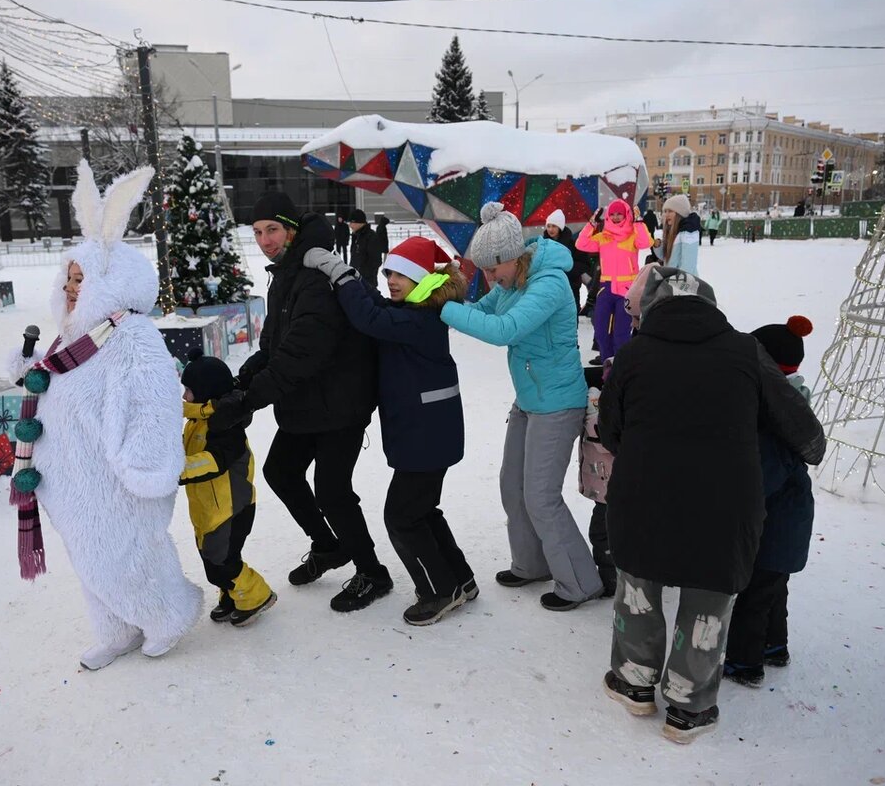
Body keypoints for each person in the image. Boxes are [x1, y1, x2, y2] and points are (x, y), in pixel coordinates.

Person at [599, 264, 826, 743]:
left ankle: (634, 683)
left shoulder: (634, 354)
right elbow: (800, 426)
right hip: (725, 504)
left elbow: (610, 430)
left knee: (639, 589)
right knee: (708, 599)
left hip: (644, 496)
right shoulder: (746, 351)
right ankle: (689, 706)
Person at [6, 161, 201, 670]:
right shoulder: (70, 335)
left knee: (124, 560)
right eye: (68, 278)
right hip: (72, 479)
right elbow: (54, 381)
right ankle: (114, 631)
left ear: (109, 279)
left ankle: (168, 615)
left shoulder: (130, 333)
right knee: (90, 563)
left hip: (114, 480)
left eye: (82, 278)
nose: (72, 288)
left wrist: (143, 464)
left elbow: (152, 399)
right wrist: (26, 368)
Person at [208, 192, 389, 613]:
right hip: (308, 402)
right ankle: (327, 546)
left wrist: (248, 401)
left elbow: (300, 355)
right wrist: (244, 377)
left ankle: (372, 572)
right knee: (281, 472)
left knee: (332, 490)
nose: (264, 240)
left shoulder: (313, 273)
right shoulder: (286, 272)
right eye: (256, 232)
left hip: (341, 401)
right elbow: (274, 343)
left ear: (291, 229)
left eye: (272, 229)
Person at [303, 236, 475, 626]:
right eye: (388, 273)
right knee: (423, 511)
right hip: (429, 433)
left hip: (426, 436)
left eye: (401, 274)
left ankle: (439, 591)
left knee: (402, 517)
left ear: (423, 279)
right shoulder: (415, 308)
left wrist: (343, 276)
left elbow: (371, 318)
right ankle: (460, 580)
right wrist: (358, 281)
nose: (392, 280)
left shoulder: (424, 317)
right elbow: (379, 306)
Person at [440, 202, 603, 611]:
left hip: (558, 402)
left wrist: (445, 310)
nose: (489, 279)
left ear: (512, 257)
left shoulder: (548, 284)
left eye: (492, 270)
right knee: (512, 486)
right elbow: (480, 311)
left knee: (541, 497)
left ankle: (581, 581)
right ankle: (532, 564)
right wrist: (440, 301)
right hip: (529, 399)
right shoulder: (511, 285)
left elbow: (503, 330)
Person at [724, 315, 817, 688]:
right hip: (790, 524)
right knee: (774, 590)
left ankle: (745, 663)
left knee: (753, 597)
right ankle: (775, 647)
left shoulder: (774, 419)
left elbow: (763, 479)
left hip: (776, 527)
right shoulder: (792, 405)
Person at [180, 350, 276, 628]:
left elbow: (214, 461)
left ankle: (255, 595)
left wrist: (176, 468)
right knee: (213, 556)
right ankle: (233, 595)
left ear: (206, 392)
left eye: (189, 390)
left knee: (222, 560)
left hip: (232, 507)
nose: (184, 396)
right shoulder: (198, 419)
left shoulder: (225, 423)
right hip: (208, 508)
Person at [575, 200, 652, 363]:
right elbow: (581, 243)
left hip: (626, 290)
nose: (616, 217)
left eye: (619, 214)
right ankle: (607, 366)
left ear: (626, 215)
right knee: (601, 332)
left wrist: (638, 222)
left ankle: (621, 370)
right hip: (606, 289)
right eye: (612, 214)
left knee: (621, 335)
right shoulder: (603, 237)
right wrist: (591, 224)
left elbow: (646, 242)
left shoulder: (633, 235)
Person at [577, 363, 617, 597]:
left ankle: (611, 575)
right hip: (605, 478)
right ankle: (609, 571)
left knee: (604, 530)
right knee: (604, 529)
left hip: (612, 478)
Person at [542, 208, 591, 316]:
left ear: (560, 227)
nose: (551, 229)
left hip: (570, 288)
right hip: (549, 288)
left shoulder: (572, 244)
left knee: (570, 320)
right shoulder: (543, 244)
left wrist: (568, 270)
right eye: (549, 226)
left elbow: (583, 264)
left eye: (554, 226)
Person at [657, 194, 701, 276]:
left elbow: (688, 265)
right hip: (672, 280)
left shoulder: (688, 232)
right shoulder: (673, 231)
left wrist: (679, 284)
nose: (666, 215)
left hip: (683, 283)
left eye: (670, 211)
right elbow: (667, 258)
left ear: (679, 213)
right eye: (665, 211)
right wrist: (658, 245)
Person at [348, 208, 383, 286]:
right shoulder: (356, 236)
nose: (350, 225)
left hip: (367, 284)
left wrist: (362, 275)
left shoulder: (371, 237)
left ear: (359, 222)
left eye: (351, 222)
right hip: (356, 281)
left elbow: (376, 261)